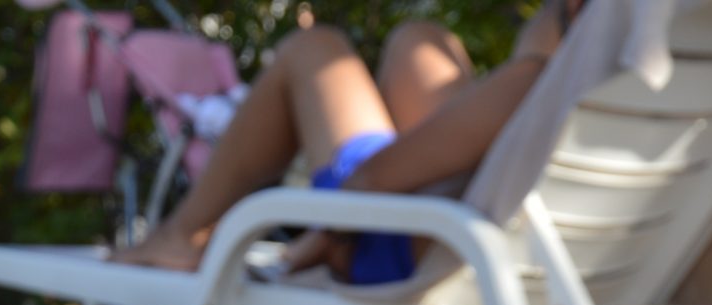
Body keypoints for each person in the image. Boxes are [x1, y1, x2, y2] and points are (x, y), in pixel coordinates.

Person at [113, 0, 584, 284]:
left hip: (392, 243)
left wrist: (311, 246)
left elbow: (370, 180)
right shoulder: (613, 89)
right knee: (420, 41)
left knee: (314, 50)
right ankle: (183, 234)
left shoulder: (532, 83)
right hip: (476, 230)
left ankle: (182, 235)